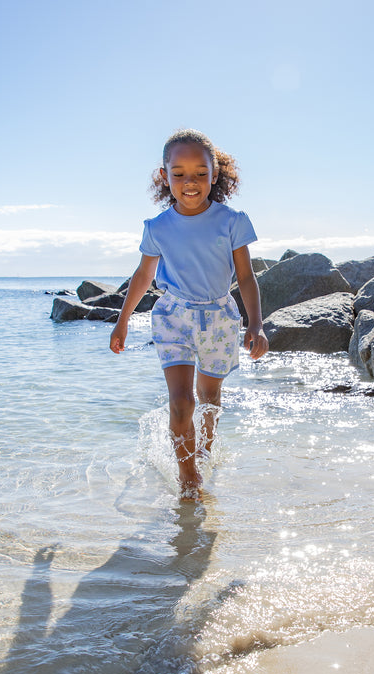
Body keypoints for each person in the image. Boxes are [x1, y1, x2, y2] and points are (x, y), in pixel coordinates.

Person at [110, 128, 268, 501]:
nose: (190, 182)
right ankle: (188, 479)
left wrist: (255, 324)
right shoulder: (157, 227)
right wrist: (122, 320)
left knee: (209, 400)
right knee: (182, 401)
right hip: (172, 316)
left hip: (220, 317)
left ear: (216, 174)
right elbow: (143, 275)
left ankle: (205, 452)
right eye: (178, 173)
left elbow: (245, 277)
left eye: (200, 172)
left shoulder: (232, 221)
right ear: (164, 177)